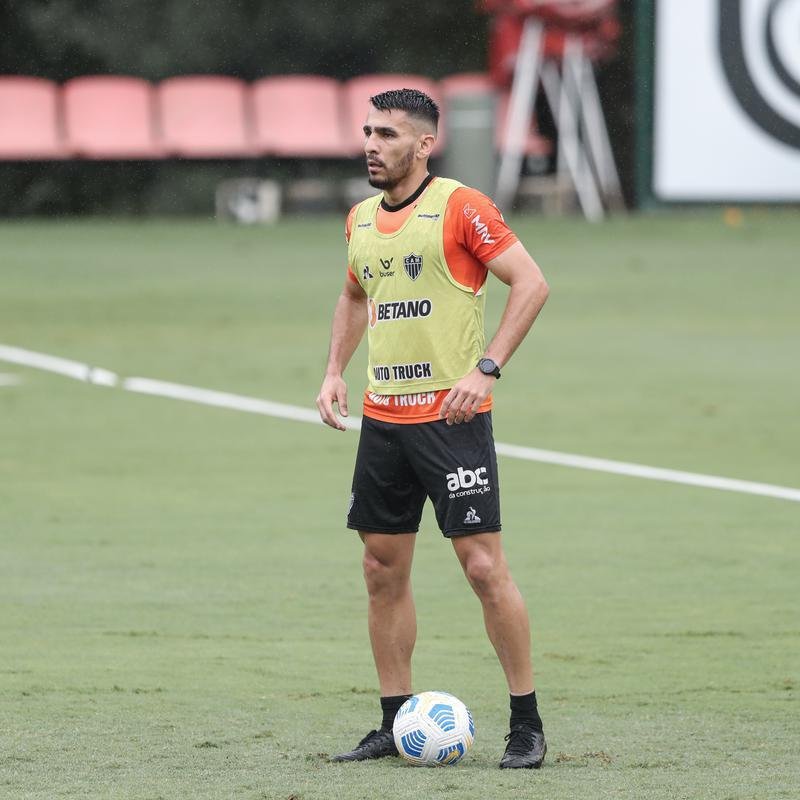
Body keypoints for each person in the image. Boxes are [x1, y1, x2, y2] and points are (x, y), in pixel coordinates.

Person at [316, 88, 550, 770]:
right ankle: (394, 721)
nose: (371, 145)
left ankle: (526, 724)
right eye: (367, 132)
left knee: (483, 568)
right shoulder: (360, 219)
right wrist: (333, 371)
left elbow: (531, 283)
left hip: (452, 422)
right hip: (384, 422)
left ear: (424, 145)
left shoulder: (461, 207)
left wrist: (487, 368)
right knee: (380, 569)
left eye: (387, 134)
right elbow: (354, 295)